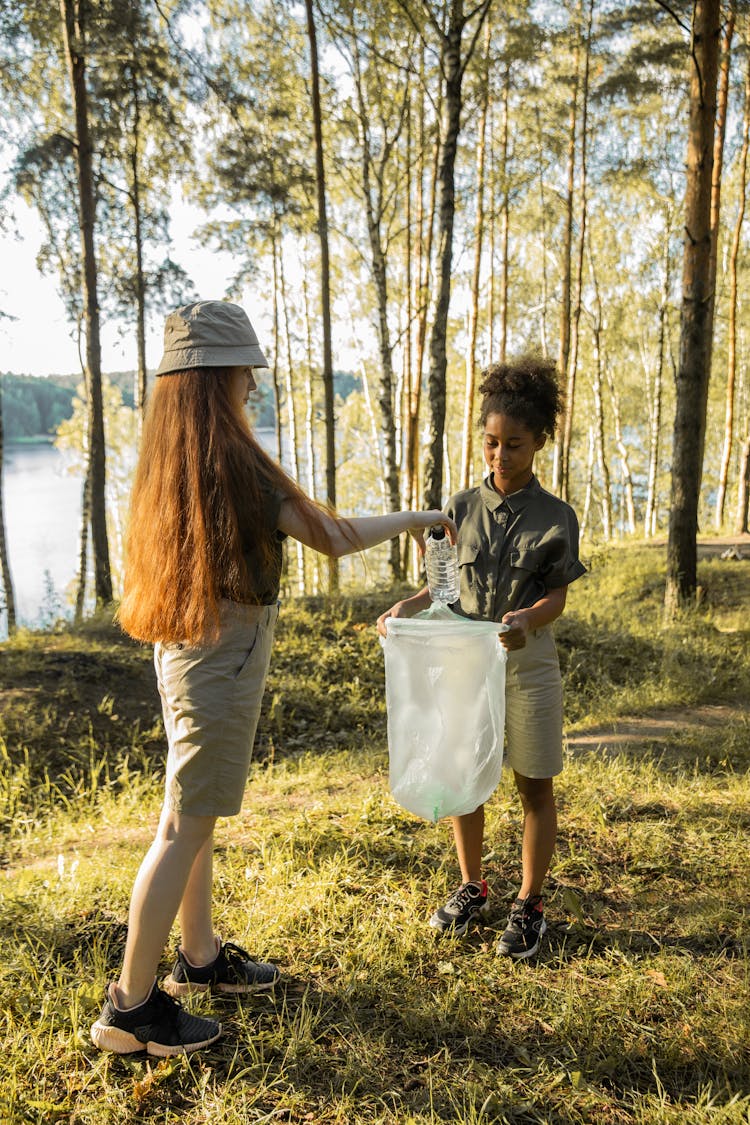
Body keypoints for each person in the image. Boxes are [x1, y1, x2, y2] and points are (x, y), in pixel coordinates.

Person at [90, 300, 455, 1057]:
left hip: (189, 645)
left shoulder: (176, 456)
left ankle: (197, 959)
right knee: (183, 826)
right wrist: (419, 516)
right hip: (223, 654)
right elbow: (330, 537)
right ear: (218, 377)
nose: (253, 383)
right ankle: (131, 1007)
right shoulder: (234, 457)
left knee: (188, 817)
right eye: (244, 370)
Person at [377, 355, 585, 960]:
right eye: (491, 443)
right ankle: (473, 886)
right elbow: (443, 590)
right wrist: (408, 607)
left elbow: (557, 596)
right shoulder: (457, 511)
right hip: (465, 665)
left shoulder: (557, 518)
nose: (500, 456)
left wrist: (526, 621)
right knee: (463, 781)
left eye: (514, 445)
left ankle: (530, 903)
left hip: (527, 665)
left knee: (535, 785)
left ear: (540, 442)